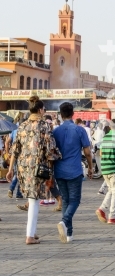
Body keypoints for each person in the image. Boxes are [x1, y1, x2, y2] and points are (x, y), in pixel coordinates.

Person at [6, 96, 61, 245]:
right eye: (44, 109)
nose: (44, 111)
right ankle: (29, 235)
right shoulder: (44, 126)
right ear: (40, 110)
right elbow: (50, 151)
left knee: (33, 199)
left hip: (23, 168)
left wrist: (11, 169)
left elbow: (15, 150)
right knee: (35, 200)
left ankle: (32, 231)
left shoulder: (22, 126)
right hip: (38, 168)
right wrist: (50, 170)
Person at [53, 102, 93, 243]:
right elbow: (87, 152)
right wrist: (90, 167)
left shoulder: (55, 131)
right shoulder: (79, 130)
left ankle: (69, 234)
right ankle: (64, 222)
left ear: (61, 114)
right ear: (73, 113)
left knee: (65, 200)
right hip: (74, 170)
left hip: (59, 170)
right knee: (75, 200)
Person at [95, 121, 115, 225]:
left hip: (104, 168)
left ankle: (102, 209)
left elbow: (101, 152)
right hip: (113, 168)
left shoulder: (105, 138)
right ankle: (112, 216)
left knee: (111, 189)